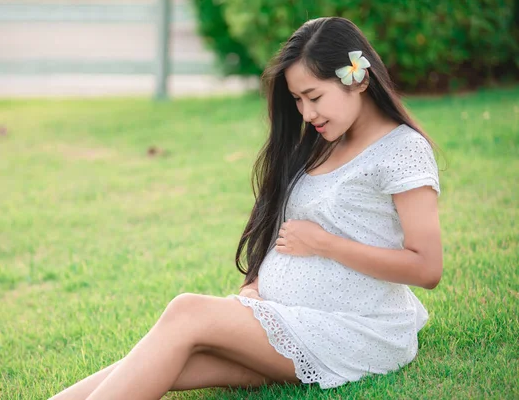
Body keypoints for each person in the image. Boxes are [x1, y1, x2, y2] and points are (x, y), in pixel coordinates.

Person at [49, 16, 443, 400]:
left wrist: (325, 245)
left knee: (186, 312)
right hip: (286, 317)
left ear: (357, 79)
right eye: (297, 100)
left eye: (314, 97)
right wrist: (258, 287)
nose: (306, 114)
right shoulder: (327, 141)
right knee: (167, 356)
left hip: (356, 331)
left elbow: (426, 268)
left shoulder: (401, 150)